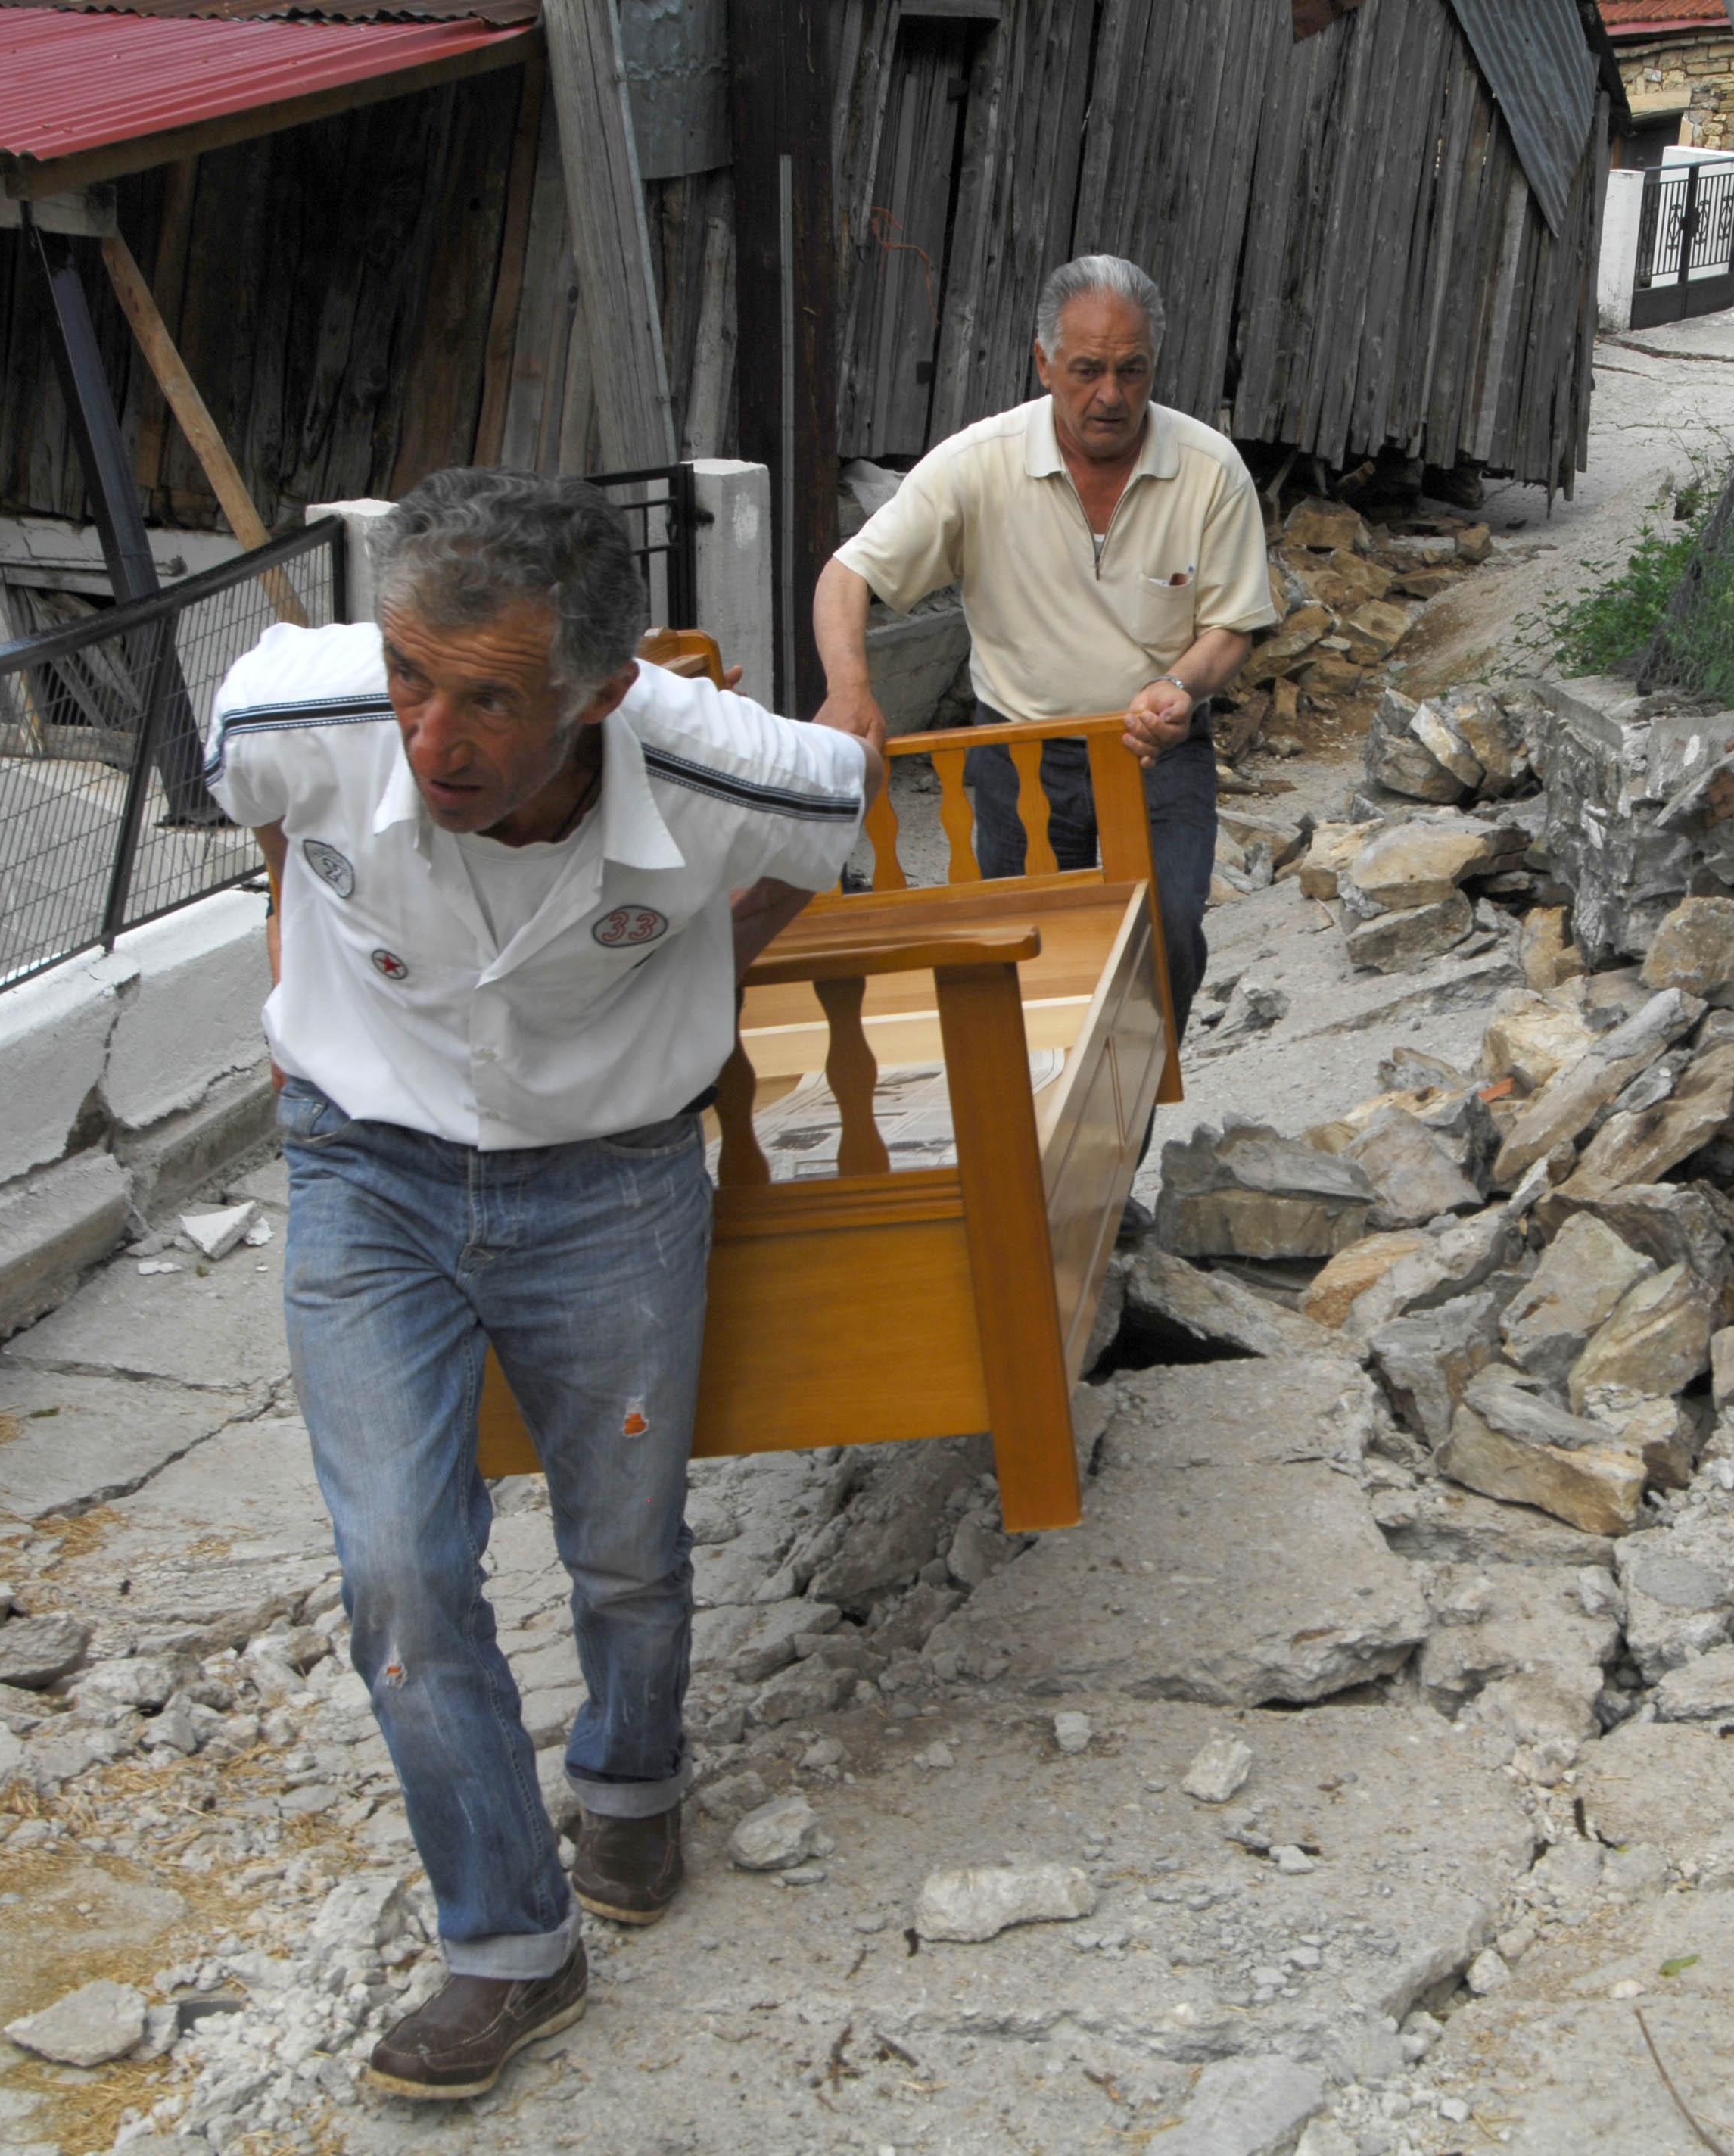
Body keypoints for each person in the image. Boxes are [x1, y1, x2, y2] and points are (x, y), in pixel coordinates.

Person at [201, 468, 882, 2100]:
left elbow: (839, 807)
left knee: (627, 1540)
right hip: (366, 1170)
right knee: (400, 1568)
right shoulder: (288, 710)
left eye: (488, 699)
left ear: (599, 689)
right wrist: (335, 999)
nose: (432, 737)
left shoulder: (727, 767)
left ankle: (631, 1788)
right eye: (412, 679)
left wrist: (676, 952)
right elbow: (273, 833)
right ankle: (508, 1940)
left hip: (616, 1182)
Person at [812, 254, 1275, 1033]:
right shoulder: (977, 464)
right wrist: (851, 688)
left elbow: (1232, 622)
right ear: (1043, 362)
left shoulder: (1208, 469)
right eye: (1088, 369)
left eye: (1132, 371)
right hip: (1019, 748)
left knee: (1169, 936)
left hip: (1154, 749)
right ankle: (1044, 1120)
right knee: (1025, 955)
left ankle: (1122, 1124)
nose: (1111, 395)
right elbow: (846, 574)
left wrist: (1181, 686)